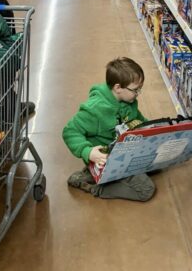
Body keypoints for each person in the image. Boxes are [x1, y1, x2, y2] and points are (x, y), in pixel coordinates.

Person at [62, 57, 156, 202]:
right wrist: (88, 152)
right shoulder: (95, 110)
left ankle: (91, 175)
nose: (138, 94)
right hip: (105, 157)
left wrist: (153, 129)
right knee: (146, 190)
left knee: (156, 163)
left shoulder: (128, 101)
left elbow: (138, 119)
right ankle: (96, 187)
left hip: (124, 148)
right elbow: (70, 131)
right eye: (135, 90)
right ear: (118, 88)